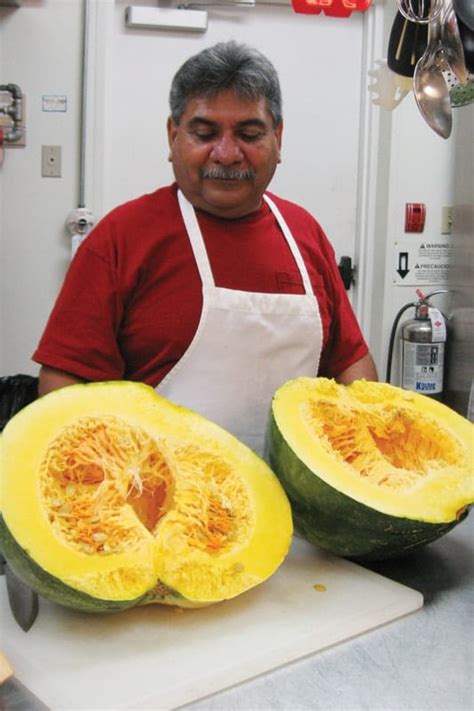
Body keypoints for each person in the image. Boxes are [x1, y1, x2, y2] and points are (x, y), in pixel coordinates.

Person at [33, 41, 377, 455]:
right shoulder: (122, 237)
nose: (228, 154)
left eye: (249, 134)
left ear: (278, 138)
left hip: (296, 513)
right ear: (172, 134)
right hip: (157, 506)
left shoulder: (304, 233)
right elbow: (64, 383)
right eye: (204, 133)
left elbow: (349, 364)